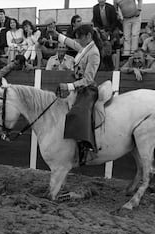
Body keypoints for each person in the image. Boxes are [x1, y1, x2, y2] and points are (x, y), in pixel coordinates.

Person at [56, 24, 101, 165]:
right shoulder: (85, 48)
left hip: (87, 89)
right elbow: (73, 43)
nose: (78, 41)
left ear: (88, 36)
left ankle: (87, 149)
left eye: (80, 37)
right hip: (78, 87)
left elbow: (88, 79)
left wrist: (69, 86)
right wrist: (57, 35)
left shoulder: (93, 53)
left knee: (80, 112)